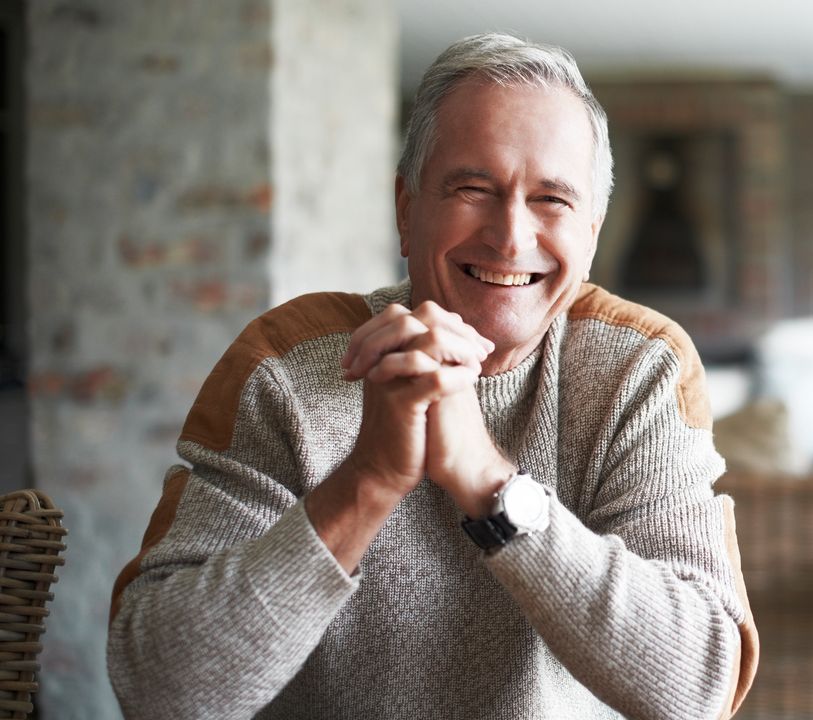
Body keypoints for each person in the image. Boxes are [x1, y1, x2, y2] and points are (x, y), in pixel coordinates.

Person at [107, 32, 758, 719]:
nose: (511, 236)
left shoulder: (638, 368)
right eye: (473, 187)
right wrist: (370, 480)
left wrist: (490, 485)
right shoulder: (287, 368)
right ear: (406, 210)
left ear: (591, 233)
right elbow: (161, 690)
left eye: (552, 200)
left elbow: (697, 687)